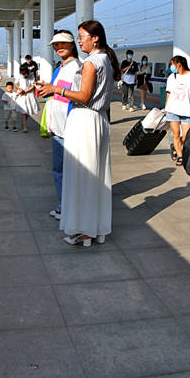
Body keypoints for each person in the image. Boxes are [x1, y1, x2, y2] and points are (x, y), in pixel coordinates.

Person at [43, 20, 117, 246]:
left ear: (95, 38)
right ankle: (97, 228)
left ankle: (84, 231)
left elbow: (84, 96)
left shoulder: (90, 63)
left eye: (82, 36)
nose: (79, 40)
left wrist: (57, 89)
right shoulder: (106, 60)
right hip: (99, 119)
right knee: (97, 178)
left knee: (82, 176)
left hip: (84, 119)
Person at [38, 30, 83, 220]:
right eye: (56, 45)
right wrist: (46, 90)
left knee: (70, 172)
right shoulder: (60, 68)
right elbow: (57, 93)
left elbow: (81, 96)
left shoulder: (79, 68)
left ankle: (70, 207)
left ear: (73, 44)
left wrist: (55, 89)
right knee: (59, 170)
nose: (59, 47)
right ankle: (64, 205)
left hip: (70, 128)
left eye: (63, 43)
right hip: (57, 128)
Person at [163, 55, 190, 166]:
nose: (172, 66)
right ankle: (180, 156)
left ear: (179, 64)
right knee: (176, 133)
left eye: (173, 64)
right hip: (172, 110)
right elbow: (168, 93)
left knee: (187, 136)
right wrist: (166, 107)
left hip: (186, 111)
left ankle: (176, 146)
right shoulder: (171, 77)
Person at [13, 63, 40, 133]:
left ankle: (23, 122)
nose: (23, 74)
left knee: (29, 110)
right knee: (24, 111)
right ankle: (24, 127)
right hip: (21, 94)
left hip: (29, 94)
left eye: (24, 73)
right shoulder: (19, 76)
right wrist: (20, 88)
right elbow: (15, 84)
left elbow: (33, 85)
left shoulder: (31, 75)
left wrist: (25, 91)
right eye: (22, 73)